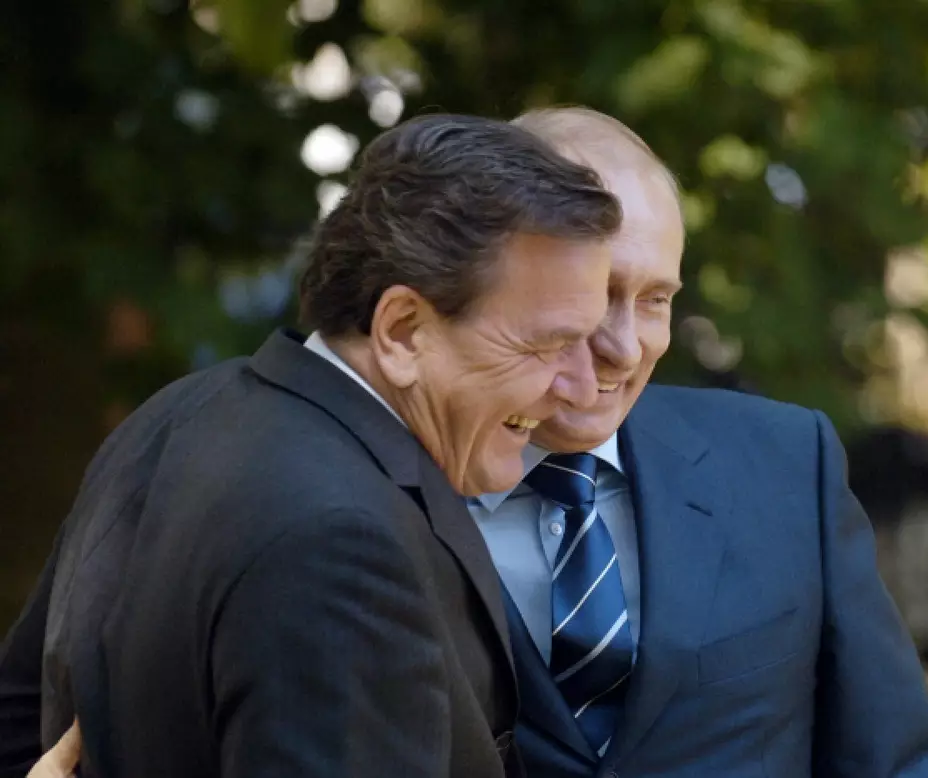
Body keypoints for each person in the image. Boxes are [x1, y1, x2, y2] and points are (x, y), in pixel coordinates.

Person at [21, 106, 928, 778]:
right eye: (561, 327)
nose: (605, 355)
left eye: (656, 300)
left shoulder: (785, 463)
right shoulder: (343, 521)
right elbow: (34, 706)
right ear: (404, 328)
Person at [0, 113, 623, 778]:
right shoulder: (345, 544)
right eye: (548, 345)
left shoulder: (180, 412)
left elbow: (18, 726)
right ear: (403, 330)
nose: (582, 389)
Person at [465, 106, 928, 777]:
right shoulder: (397, 482)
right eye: (597, 293)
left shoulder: (787, 462)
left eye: (655, 300)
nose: (624, 347)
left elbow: (903, 759)